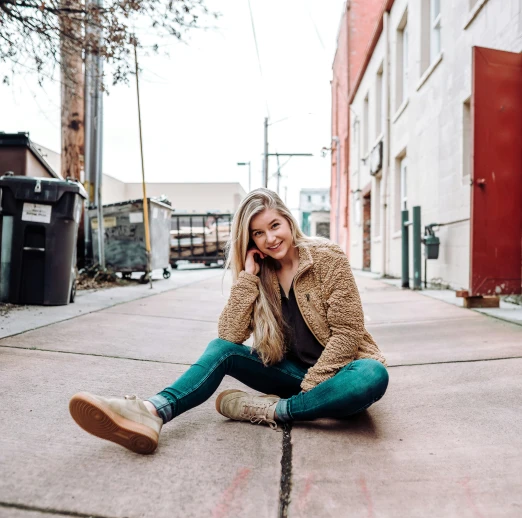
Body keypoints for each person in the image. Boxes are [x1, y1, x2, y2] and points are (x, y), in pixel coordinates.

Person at [69, 189, 388, 454]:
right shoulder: (261, 273)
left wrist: (310, 387)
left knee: (373, 376)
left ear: (288, 221)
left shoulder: (327, 258)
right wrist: (248, 277)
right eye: (258, 233)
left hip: (340, 373)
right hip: (291, 374)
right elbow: (229, 334)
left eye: (275, 226)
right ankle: (153, 411)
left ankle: (272, 410)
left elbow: (348, 333)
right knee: (221, 349)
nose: (270, 238)